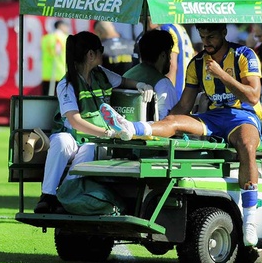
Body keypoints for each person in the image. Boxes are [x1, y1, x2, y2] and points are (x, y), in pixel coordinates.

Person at [101, 23, 262, 247]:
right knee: (173, 121)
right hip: (213, 117)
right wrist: (164, 124)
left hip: (243, 116)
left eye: (211, 36)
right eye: (203, 36)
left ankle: (250, 222)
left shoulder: (245, 54)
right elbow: (184, 106)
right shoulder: (196, 63)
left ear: (224, 33)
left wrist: (221, 75)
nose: (206, 42)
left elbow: (253, 96)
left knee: (246, 145)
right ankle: (131, 128)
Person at [34, 31, 153, 213]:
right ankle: (47, 196)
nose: (102, 54)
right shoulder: (66, 84)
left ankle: (65, 196)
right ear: (91, 55)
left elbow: (124, 81)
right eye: (101, 50)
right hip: (74, 137)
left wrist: (140, 85)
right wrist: (106, 133)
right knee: (61, 142)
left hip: (92, 141)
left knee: (90, 149)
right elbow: (75, 121)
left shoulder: (101, 74)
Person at [123, 29, 178, 120]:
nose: (170, 59)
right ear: (164, 55)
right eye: (169, 54)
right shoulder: (163, 84)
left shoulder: (126, 75)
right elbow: (169, 122)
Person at [138, 17, 195, 100]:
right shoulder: (179, 28)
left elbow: (172, 64)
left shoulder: (167, 30)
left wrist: (167, 93)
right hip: (188, 88)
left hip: (176, 89)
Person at [40, 20, 69, 96]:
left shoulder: (45, 38)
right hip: (61, 73)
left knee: (46, 97)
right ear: (60, 26)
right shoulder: (66, 39)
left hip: (46, 73)